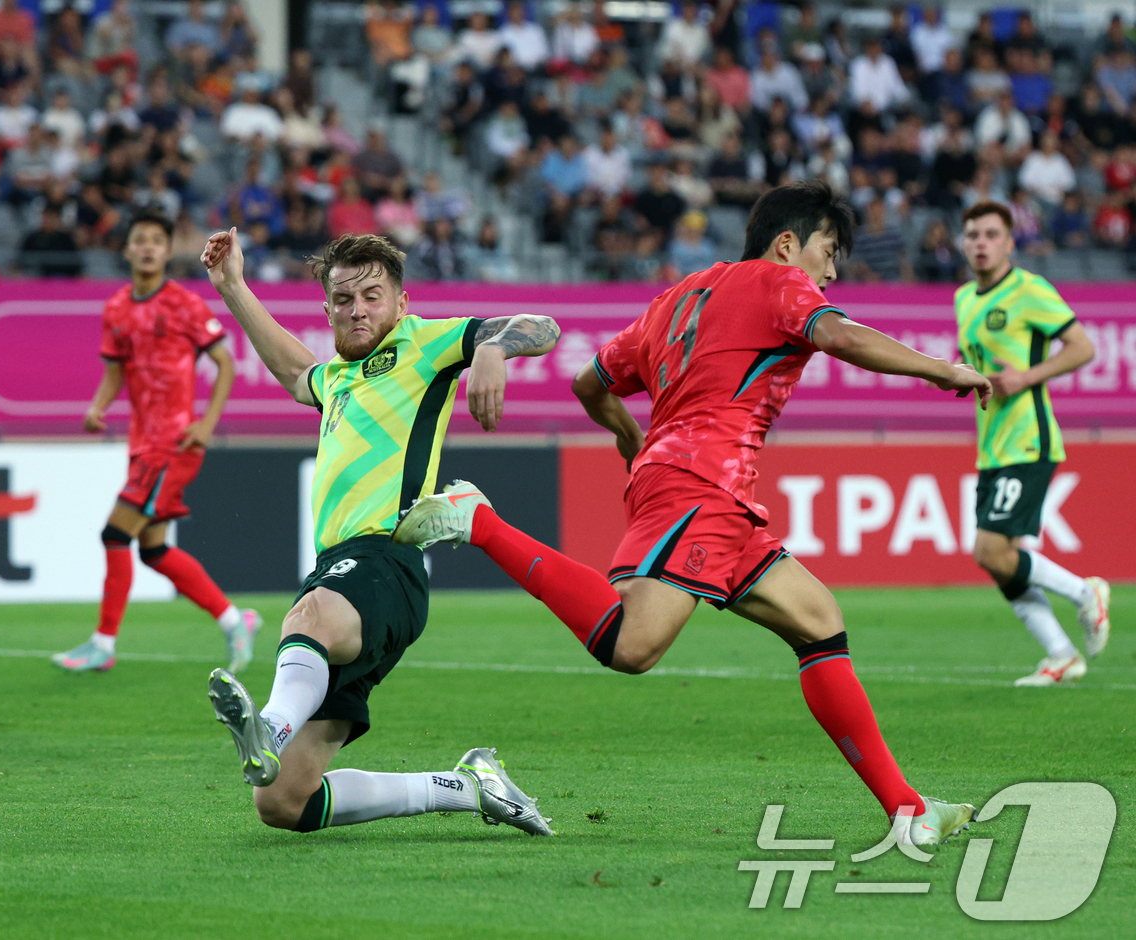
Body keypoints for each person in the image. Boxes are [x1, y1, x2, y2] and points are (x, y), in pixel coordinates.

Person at [394, 181, 993, 847]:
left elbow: (589, 383)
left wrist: (630, 438)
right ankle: (481, 522)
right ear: (788, 242)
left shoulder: (677, 298)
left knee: (820, 622)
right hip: (700, 485)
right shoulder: (779, 281)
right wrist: (939, 369)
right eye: (828, 251)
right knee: (633, 645)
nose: (830, 271)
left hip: (711, 493)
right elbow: (839, 336)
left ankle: (907, 809)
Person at [200, 229, 558, 836]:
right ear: (328, 309)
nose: (358, 309)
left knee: (309, 617)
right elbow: (293, 371)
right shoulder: (336, 378)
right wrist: (233, 286)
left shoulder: (426, 343)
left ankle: (270, 727)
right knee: (285, 802)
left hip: (387, 558)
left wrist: (492, 347)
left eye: (372, 295)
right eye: (344, 299)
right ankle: (467, 787)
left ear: (401, 302)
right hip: (341, 571)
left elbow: (541, 326)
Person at [52, 209, 259, 675]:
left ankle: (103, 645)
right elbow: (114, 372)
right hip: (142, 444)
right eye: (139, 239)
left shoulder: (184, 304)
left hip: (175, 442)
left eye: (156, 241)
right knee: (153, 550)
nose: (147, 247)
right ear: (126, 250)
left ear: (168, 251)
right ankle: (235, 619)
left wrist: (206, 424)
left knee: (114, 533)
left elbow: (225, 363)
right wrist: (98, 406)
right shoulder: (116, 308)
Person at [955, 201, 1110, 686]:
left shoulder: (1030, 290)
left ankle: (1085, 592)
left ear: (1009, 242)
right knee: (1001, 563)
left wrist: (1027, 378)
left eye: (990, 234)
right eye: (972, 234)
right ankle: (1062, 654)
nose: (980, 242)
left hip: (1029, 439)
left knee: (991, 552)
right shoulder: (964, 298)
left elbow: (1084, 347)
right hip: (992, 445)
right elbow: (980, 362)